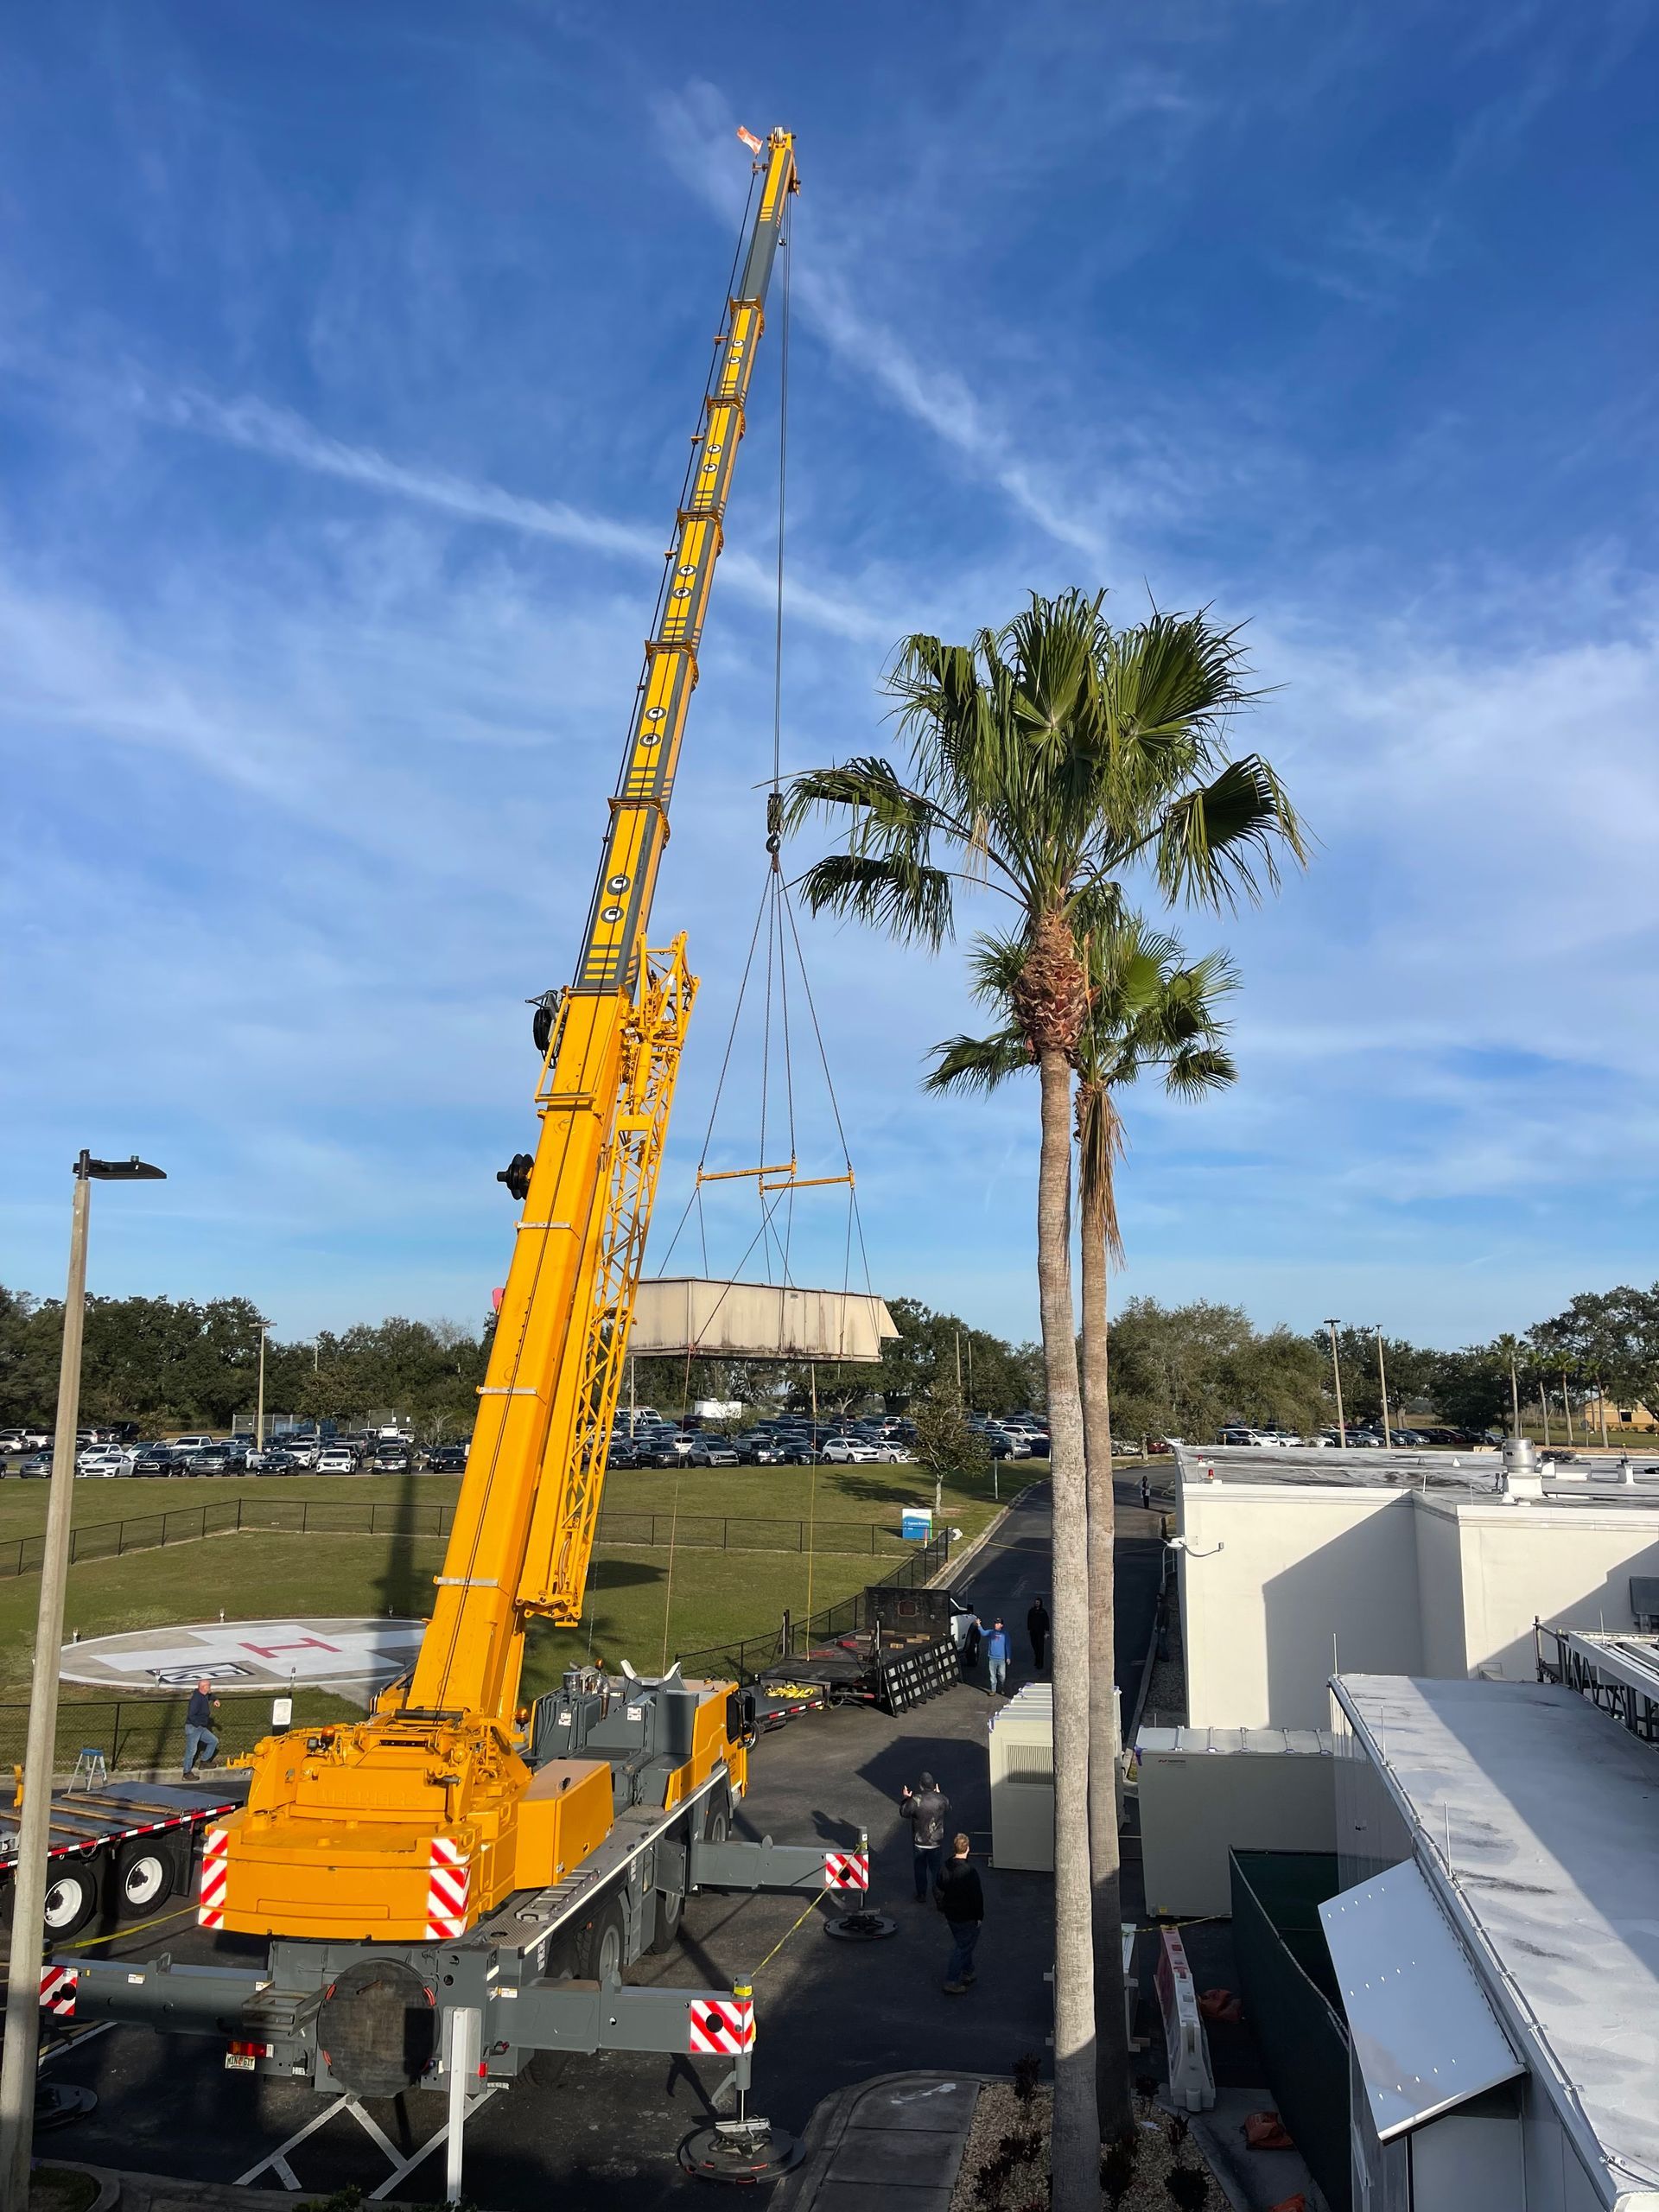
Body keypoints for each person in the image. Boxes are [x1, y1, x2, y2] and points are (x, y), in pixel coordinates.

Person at [935, 1832, 984, 1993]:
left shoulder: (946, 1866)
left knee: (963, 1943)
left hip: (951, 1914)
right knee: (963, 1946)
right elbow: (977, 1897)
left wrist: (941, 1905)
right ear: (968, 1848)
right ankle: (951, 1979)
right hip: (966, 1916)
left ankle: (968, 1971)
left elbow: (938, 1887)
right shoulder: (969, 1872)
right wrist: (979, 1916)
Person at [899, 1771, 950, 1902]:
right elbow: (949, 1809)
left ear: (921, 1786)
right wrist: (939, 1794)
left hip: (920, 1841)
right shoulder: (941, 1798)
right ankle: (938, 1894)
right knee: (936, 1869)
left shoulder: (916, 1800)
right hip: (936, 1841)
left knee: (920, 1869)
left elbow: (904, 1812)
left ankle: (921, 1894)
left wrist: (906, 1798)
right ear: (933, 1785)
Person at [183, 1678, 219, 1777]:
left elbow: (211, 1695)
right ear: (204, 1687)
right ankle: (186, 1773)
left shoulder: (204, 1695)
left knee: (213, 1741)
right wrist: (198, 1725)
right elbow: (191, 1715)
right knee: (191, 1751)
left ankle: (204, 1762)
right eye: (209, 1686)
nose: (210, 1687)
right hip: (194, 1727)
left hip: (201, 1727)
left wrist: (215, 1699)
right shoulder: (196, 1699)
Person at [984, 1617, 1010, 1696]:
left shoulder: (1005, 1634)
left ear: (1001, 1625)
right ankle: (993, 1690)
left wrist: (1008, 1657)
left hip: (1001, 1659)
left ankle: (1002, 1687)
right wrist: (978, 1626)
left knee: (1002, 1675)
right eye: (995, 1623)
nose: (996, 1625)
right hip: (992, 1658)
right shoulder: (991, 1632)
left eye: (998, 1623)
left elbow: (1008, 1646)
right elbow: (983, 1633)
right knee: (993, 1676)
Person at [1026, 1598, 1050, 1672]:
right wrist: (1029, 1629)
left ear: (1040, 1603)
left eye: (1038, 1602)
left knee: (1040, 1648)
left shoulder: (1043, 1612)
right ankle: (1036, 1661)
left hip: (1041, 1633)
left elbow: (1046, 1622)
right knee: (1035, 1647)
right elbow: (1029, 1619)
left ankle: (1040, 1664)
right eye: (1036, 1602)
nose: (1036, 1603)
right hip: (1033, 1632)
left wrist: (1046, 1632)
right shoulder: (1032, 1611)